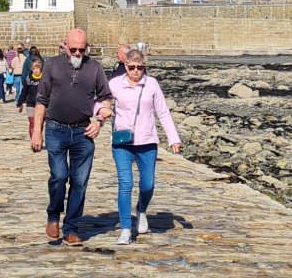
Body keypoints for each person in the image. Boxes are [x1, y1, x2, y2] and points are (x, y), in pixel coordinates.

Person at [31, 29, 113, 247]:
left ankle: (71, 228)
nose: (77, 53)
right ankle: (53, 215)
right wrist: (36, 131)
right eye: (73, 49)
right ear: (65, 45)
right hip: (56, 129)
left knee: (80, 181)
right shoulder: (52, 65)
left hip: (83, 131)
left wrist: (99, 122)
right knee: (59, 176)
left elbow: (105, 99)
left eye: (82, 49)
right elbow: (41, 100)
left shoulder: (94, 68)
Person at [107, 47, 182, 245]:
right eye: (132, 67)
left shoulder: (152, 85)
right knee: (126, 184)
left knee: (148, 184)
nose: (136, 71)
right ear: (125, 66)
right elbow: (101, 102)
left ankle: (141, 210)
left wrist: (173, 138)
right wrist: (100, 113)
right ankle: (125, 229)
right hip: (122, 143)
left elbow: (163, 112)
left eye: (140, 67)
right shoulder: (114, 84)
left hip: (147, 142)